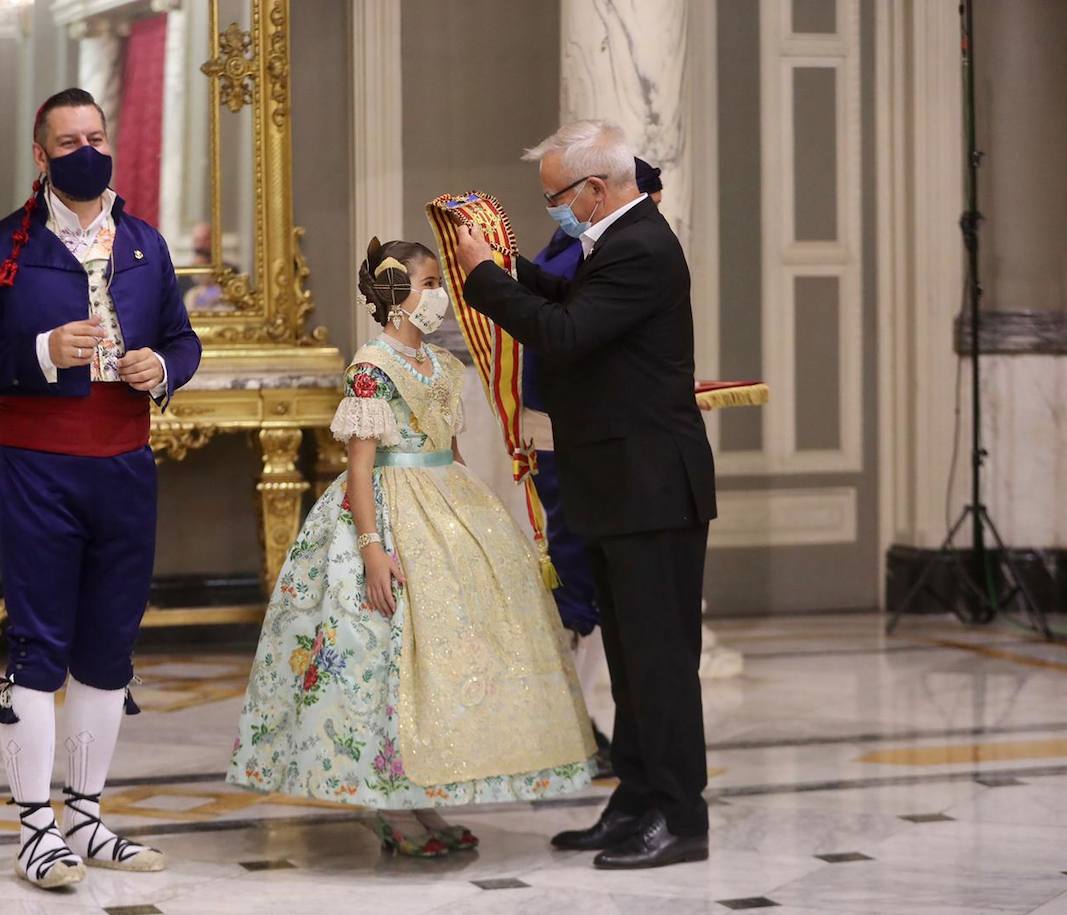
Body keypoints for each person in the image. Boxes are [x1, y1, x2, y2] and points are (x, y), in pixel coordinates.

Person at [226, 236, 596, 857]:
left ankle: (424, 795)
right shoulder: (372, 365)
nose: (440, 297)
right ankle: (384, 802)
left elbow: (449, 450)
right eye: (429, 285)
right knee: (380, 658)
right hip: (387, 513)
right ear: (398, 295)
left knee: (443, 661)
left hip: (446, 505)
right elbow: (362, 467)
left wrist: (476, 528)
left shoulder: (443, 365)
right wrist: (372, 548)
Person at [0, 87, 202, 890]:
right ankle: (33, 830)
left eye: (96, 135)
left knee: (108, 649)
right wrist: (45, 348)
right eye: (69, 139)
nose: (85, 149)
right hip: (39, 466)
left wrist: (163, 368)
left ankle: (86, 819)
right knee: (40, 647)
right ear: (41, 154)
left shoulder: (145, 245)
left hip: (126, 465)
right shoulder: (1, 250)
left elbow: (184, 339)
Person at [454, 119, 716, 870]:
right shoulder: (617, 243)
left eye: (556, 199)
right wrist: (509, 264)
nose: (554, 215)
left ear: (595, 189)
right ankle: (634, 801)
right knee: (632, 661)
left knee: (659, 662)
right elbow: (571, 296)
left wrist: (484, 278)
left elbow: (565, 334)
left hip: (652, 490)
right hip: (619, 486)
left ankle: (679, 815)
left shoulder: (639, 247)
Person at [525, 156, 665, 778]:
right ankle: (571, 727)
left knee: (594, 588)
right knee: (576, 579)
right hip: (566, 438)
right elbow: (564, 321)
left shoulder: (598, 251)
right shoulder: (579, 252)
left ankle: (587, 729)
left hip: (590, 441)